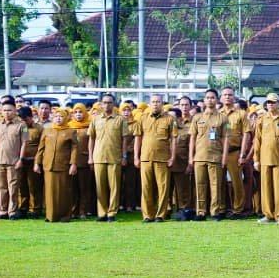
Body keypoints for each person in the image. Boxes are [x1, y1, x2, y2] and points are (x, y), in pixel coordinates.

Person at [252, 94, 279, 224]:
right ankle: (267, 214)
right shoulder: (262, 119)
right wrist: (256, 159)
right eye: (268, 102)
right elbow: (257, 140)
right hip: (265, 158)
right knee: (266, 187)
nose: (270, 104)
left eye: (273, 102)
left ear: (278, 103)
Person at [133, 94, 177, 223]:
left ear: (162, 104)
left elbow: (174, 140)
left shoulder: (170, 119)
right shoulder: (142, 118)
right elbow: (138, 138)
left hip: (163, 158)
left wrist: (172, 157)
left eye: (158, 102)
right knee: (146, 187)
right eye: (153, 102)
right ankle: (147, 215)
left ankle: (160, 215)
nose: (155, 104)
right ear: (149, 104)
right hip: (145, 158)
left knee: (163, 188)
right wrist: (136, 157)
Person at [189, 88, 230, 220]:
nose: (210, 100)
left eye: (212, 97)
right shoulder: (197, 117)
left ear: (217, 100)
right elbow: (192, 139)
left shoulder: (223, 118)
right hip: (199, 157)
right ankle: (200, 212)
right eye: (207, 97)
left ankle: (215, 212)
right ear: (204, 100)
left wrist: (224, 157)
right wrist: (191, 156)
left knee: (215, 185)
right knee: (200, 185)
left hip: (215, 157)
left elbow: (226, 139)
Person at [34, 108, 79, 222]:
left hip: (63, 165)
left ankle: (64, 215)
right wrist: (37, 163)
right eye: (56, 116)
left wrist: (73, 163)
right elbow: (41, 148)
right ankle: (50, 216)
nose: (58, 119)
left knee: (64, 191)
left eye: (61, 116)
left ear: (66, 118)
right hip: (49, 165)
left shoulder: (71, 131)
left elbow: (74, 149)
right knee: (49, 191)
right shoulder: (47, 131)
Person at [88, 94, 127, 222]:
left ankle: (112, 213)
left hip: (114, 157)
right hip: (98, 156)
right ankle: (102, 213)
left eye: (109, 102)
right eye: (104, 102)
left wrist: (124, 155)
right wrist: (90, 157)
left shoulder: (121, 120)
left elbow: (124, 139)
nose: (107, 105)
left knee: (114, 187)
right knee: (100, 186)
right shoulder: (95, 119)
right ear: (100, 104)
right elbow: (91, 139)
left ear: (114, 104)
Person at [219, 87, 252, 218]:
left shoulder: (241, 114)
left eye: (230, 95)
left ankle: (238, 209)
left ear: (234, 97)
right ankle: (221, 208)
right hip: (219, 152)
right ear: (221, 97)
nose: (227, 97)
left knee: (236, 182)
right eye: (225, 95)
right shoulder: (217, 114)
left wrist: (243, 154)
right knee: (219, 182)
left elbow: (246, 135)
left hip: (235, 152)